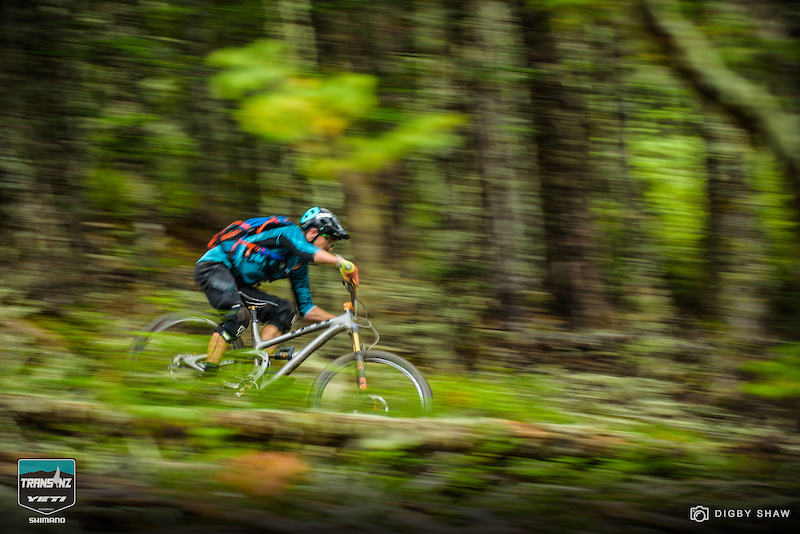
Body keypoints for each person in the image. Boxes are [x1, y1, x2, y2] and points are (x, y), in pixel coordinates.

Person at [193, 207, 359, 374]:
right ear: (312, 232)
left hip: (238, 283)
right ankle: (208, 373)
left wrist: (339, 321)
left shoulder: (298, 266)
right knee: (238, 316)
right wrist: (341, 262)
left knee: (286, 311)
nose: (330, 248)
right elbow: (307, 251)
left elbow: (306, 309)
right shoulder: (289, 233)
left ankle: (256, 374)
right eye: (329, 240)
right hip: (214, 268)